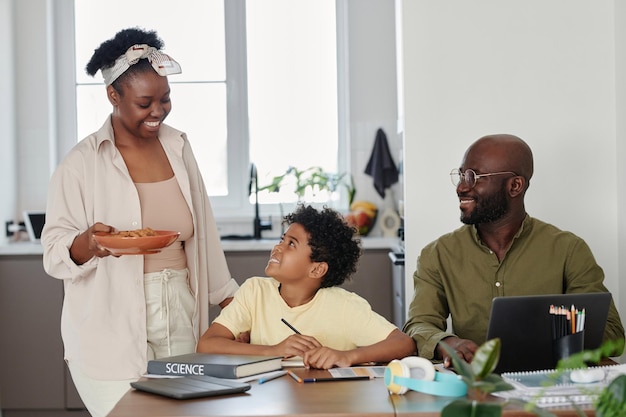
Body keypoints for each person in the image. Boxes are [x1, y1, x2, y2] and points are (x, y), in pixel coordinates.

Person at [41, 28, 239, 417]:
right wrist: (88, 243)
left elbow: (204, 237)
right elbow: (53, 253)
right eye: (145, 102)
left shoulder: (179, 147)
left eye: (165, 99)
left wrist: (235, 304)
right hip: (108, 322)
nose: (158, 111)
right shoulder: (81, 163)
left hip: (180, 309)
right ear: (113, 96)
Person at [403, 134, 624, 368]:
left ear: (515, 186)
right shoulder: (437, 254)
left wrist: (548, 334)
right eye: (461, 175)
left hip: (551, 388)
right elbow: (419, 324)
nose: (461, 187)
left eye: (473, 176)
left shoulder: (569, 249)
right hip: (475, 389)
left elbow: (613, 335)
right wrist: (447, 342)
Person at [197, 204, 416, 369]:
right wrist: (274, 351)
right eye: (282, 239)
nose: (278, 247)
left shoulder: (344, 306)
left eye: (291, 244)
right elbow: (206, 345)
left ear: (317, 269)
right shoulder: (254, 292)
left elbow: (404, 344)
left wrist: (346, 357)